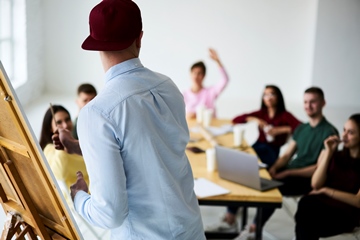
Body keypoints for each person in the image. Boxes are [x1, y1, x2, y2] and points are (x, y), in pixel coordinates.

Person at [58, 1, 205, 239]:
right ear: (140, 37)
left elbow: (110, 214)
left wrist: (78, 197)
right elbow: (146, 154)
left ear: (95, 44)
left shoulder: (96, 113)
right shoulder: (168, 87)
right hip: (191, 230)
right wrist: (79, 146)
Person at [233, 87, 338, 240]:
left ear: (323, 103)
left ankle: (254, 229)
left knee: (271, 187)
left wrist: (286, 172)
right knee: (257, 176)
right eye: (305, 102)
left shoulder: (329, 132)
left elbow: (317, 169)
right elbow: (287, 154)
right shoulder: (302, 128)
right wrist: (274, 168)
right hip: (289, 172)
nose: (308, 106)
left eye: (313, 102)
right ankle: (238, 220)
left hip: (307, 179)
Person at [208, 85, 302, 232]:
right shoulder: (262, 113)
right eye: (265, 95)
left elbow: (302, 128)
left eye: (272, 94)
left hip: (271, 151)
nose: (268, 98)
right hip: (257, 147)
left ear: (278, 97)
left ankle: (244, 223)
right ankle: (231, 216)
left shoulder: (285, 115)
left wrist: (281, 130)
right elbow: (236, 119)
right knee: (236, 168)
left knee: (247, 171)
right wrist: (254, 119)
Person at [295, 114, 360, 240]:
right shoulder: (337, 156)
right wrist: (329, 152)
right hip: (322, 205)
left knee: (305, 220)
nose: (344, 136)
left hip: (345, 212)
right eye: (344, 130)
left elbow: (358, 201)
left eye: (350, 132)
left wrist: (326, 191)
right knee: (306, 207)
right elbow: (315, 184)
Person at [39, 105, 89, 199]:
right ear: (50, 128)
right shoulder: (50, 149)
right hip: (82, 198)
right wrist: (60, 150)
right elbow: (59, 175)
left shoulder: (79, 141)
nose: (65, 125)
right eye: (59, 122)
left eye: (67, 120)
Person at [182, 48, 229, 119]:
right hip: (191, 128)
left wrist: (218, 61)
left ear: (203, 76)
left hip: (210, 127)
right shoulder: (184, 95)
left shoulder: (210, 92)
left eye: (199, 73)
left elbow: (225, 79)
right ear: (190, 74)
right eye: (194, 73)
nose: (196, 76)